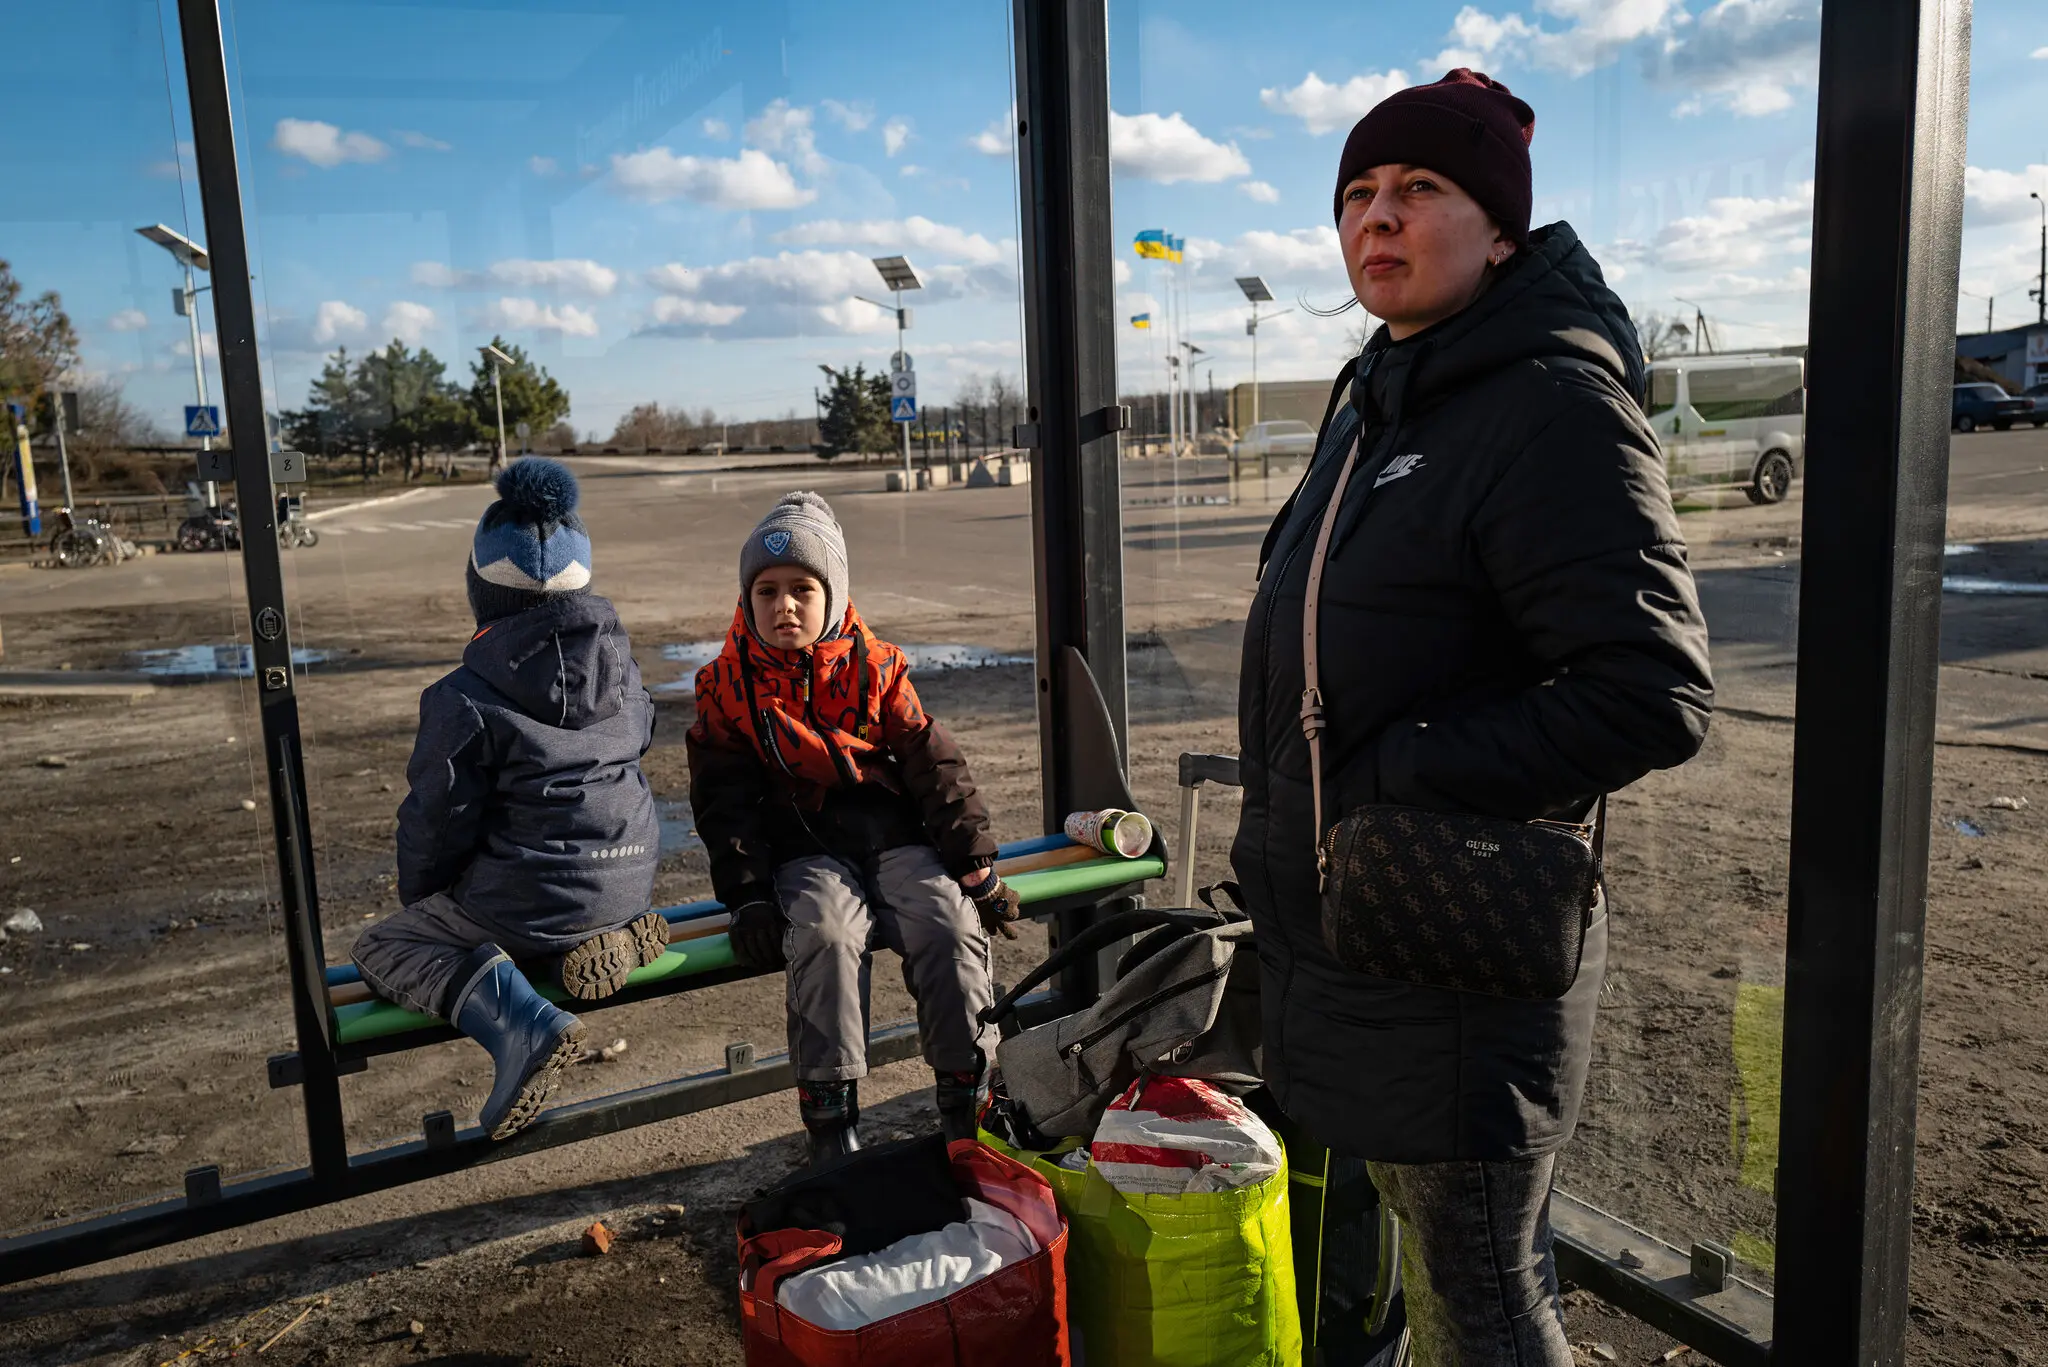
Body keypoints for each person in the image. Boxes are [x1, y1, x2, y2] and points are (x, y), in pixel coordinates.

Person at [1230, 70, 1714, 1365]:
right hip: (1352, 949)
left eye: (1420, 189)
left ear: (1501, 229)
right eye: (1358, 194)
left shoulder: (1547, 405)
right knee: (1447, 1278)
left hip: (1449, 961)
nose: (1376, 217)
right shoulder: (1383, 394)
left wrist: (1406, 778)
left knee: (1483, 1304)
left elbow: (1651, 688)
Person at [687, 491, 1020, 1165]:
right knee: (827, 933)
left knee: (948, 921)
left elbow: (935, 766)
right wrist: (748, 894)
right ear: (746, 600)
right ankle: (832, 1119)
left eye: (803, 590)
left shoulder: (876, 666)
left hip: (891, 834)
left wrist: (975, 866)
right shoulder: (728, 685)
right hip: (802, 847)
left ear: (833, 594)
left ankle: (966, 1097)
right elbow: (724, 802)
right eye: (768, 591)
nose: (784, 607)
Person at [353, 458, 663, 1141]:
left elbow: (437, 820)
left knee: (385, 947)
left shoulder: (463, 696)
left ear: (480, 593)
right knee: (529, 910)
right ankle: (609, 936)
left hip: (530, 897)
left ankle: (526, 1029)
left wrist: (427, 897)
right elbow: (639, 738)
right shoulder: (626, 673)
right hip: (630, 875)